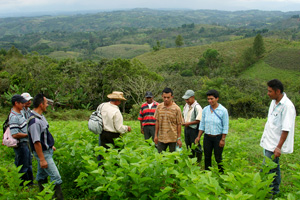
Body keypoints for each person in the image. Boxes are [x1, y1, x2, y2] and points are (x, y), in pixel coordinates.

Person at [260, 79, 296, 195]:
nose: (268, 93)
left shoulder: (287, 106)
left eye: (270, 91)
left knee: (268, 169)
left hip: (275, 144)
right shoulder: (273, 102)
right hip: (268, 141)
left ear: (278, 91)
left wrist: (278, 147)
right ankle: (274, 191)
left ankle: (270, 193)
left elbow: (286, 129)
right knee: (274, 167)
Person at [27, 93, 63, 199]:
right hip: (43, 153)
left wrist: (50, 146)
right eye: (46, 103)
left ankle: (43, 195)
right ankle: (58, 197)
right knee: (56, 177)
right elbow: (36, 142)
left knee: (42, 175)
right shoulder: (34, 121)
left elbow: (43, 135)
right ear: (41, 104)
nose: (47, 105)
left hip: (46, 150)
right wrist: (42, 159)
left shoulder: (40, 117)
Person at [195, 89, 229, 173]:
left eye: (212, 99)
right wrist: (198, 137)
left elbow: (225, 126)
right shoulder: (206, 110)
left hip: (218, 137)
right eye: (208, 99)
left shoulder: (223, 110)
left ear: (217, 98)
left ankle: (221, 174)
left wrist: (223, 139)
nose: (210, 101)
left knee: (218, 157)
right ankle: (207, 173)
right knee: (207, 156)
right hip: (207, 137)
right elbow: (202, 124)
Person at [8, 94, 34, 186]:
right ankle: (23, 186)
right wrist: (28, 135)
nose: (24, 104)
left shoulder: (20, 113)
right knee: (23, 166)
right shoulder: (14, 116)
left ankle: (30, 183)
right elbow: (15, 134)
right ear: (16, 103)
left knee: (28, 164)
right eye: (22, 103)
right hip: (21, 144)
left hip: (25, 143)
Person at [154, 88, 183, 153]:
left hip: (173, 138)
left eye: (168, 97)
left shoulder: (176, 109)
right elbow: (157, 121)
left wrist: (179, 138)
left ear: (172, 97)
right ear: (162, 96)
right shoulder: (159, 107)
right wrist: (156, 135)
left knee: (173, 158)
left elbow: (179, 124)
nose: (166, 99)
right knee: (160, 156)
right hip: (161, 137)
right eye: (164, 97)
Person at [182, 90, 203, 163]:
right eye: (185, 99)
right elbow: (183, 115)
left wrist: (188, 123)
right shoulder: (186, 106)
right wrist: (183, 121)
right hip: (187, 128)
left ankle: (198, 162)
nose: (186, 101)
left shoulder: (197, 107)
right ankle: (190, 160)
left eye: (188, 99)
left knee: (196, 145)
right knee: (188, 144)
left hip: (194, 129)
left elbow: (199, 120)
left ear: (193, 97)